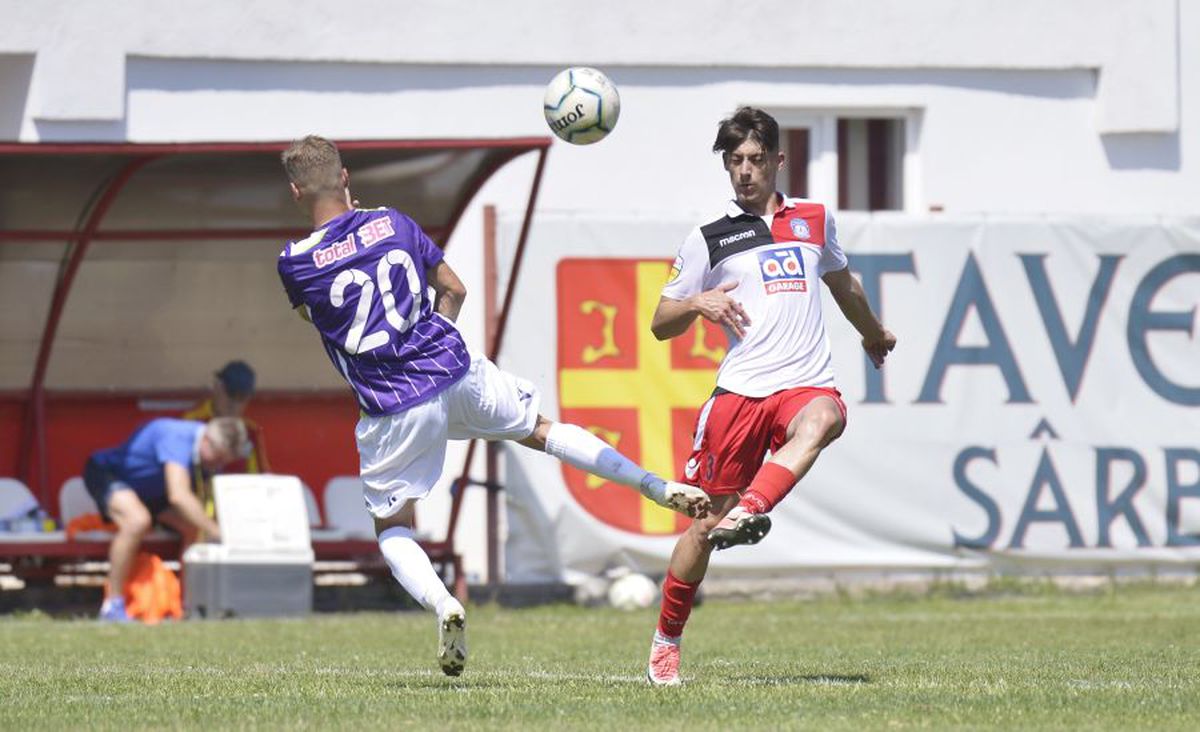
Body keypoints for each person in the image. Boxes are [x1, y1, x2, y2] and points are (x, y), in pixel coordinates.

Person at [277, 136, 711, 677]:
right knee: (541, 430)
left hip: (394, 403)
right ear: (345, 178)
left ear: (296, 192)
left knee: (391, 526)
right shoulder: (392, 221)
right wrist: (431, 339)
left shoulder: (294, 263)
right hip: (454, 368)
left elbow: (319, 317)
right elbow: (454, 290)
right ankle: (652, 484)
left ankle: (445, 605)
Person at [644, 107, 897, 685]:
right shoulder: (709, 237)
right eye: (734, 160)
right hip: (740, 393)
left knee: (826, 417)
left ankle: (755, 506)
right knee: (704, 527)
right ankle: (666, 640)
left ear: (779, 161)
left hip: (803, 382)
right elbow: (660, 322)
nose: (744, 171)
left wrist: (872, 332)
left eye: (755, 159)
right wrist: (697, 303)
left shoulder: (814, 219)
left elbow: (842, 282)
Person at [84, 417, 249, 622]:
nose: (218, 465)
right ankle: (112, 605)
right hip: (108, 474)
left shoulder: (204, 449)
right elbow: (178, 495)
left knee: (192, 527)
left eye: (224, 461)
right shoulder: (177, 437)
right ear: (206, 440)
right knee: (137, 521)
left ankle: (186, 602)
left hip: (151, 491)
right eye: (218, 459)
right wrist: (216, 532)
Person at [182, 360, 270, 474]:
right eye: (231, 394)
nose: (234, 404)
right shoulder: (192, 422)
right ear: (217, 387)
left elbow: (259, 475)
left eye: (241, 398)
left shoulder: (250, 431)